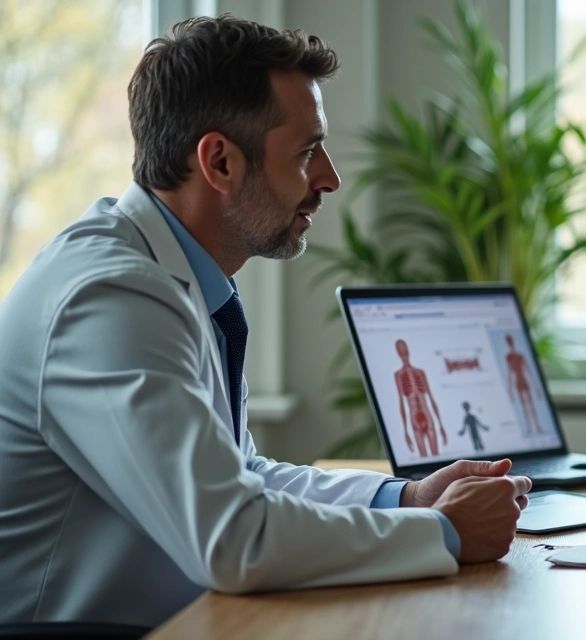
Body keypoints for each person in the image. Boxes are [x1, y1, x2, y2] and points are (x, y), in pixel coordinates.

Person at [0, 15, 530, 628]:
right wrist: (445, 532)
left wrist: (406, 499)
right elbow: (234, 538)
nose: (329, 178)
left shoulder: (175, 278)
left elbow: (239, 474)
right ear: (219, 162)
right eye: (307, 152)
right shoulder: (110, 298)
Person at [394, 338, 448, 457]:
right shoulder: (399, 375)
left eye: (406, 352)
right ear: (398, 354)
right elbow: (401, 403)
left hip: (427, 414)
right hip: (414, 418)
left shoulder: (420, 372)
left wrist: (441, 425)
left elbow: (431, 398)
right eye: (401, 353)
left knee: (436, 457)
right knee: (423, 458)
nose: (404, 356)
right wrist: (405, 432)